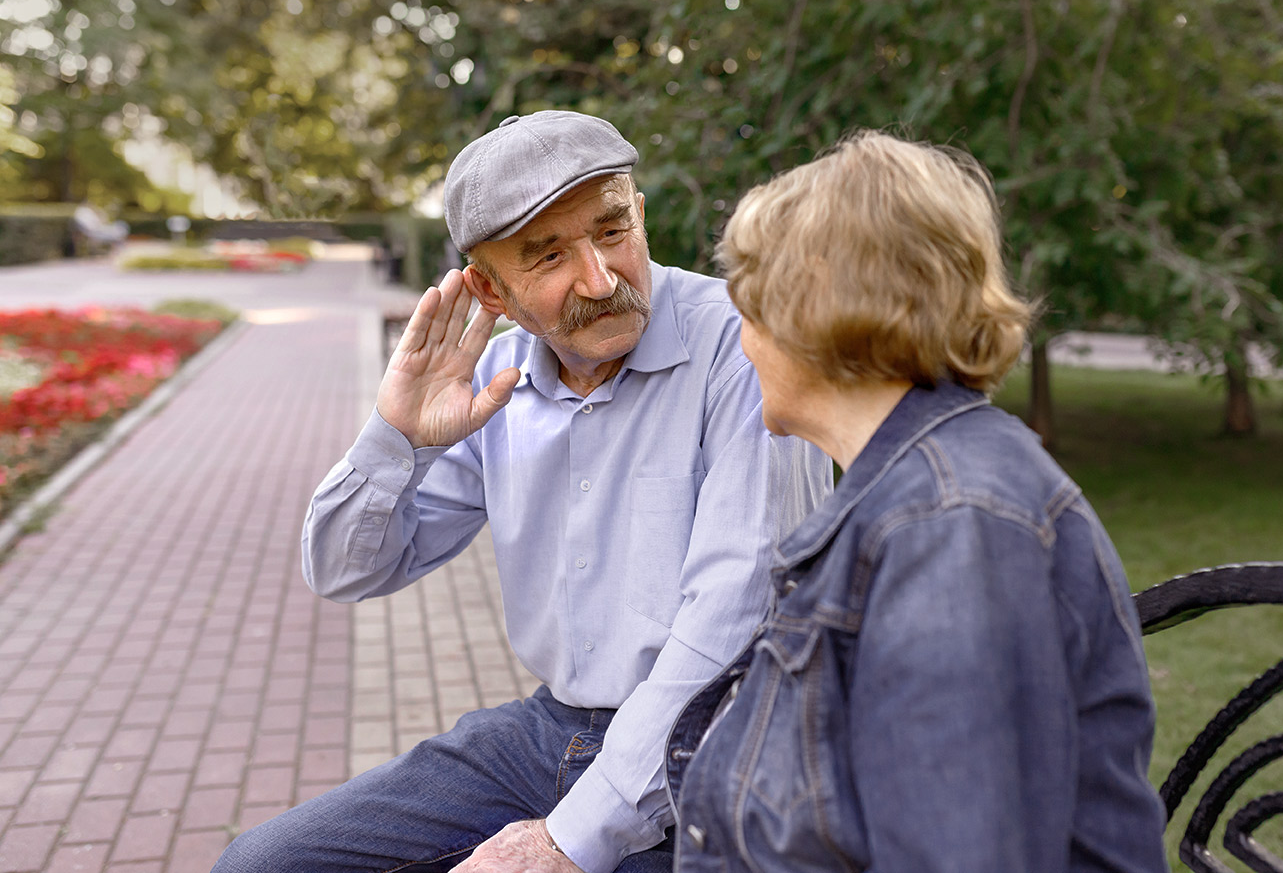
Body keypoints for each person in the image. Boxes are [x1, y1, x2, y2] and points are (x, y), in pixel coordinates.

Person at [212, 111, 832, 873]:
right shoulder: (494, 381)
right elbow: (347, 569)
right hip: (551, 733)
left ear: (639, 212)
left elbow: (735, 629)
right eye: (548, 257)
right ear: (490, 288)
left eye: (611, 232)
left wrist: (567, 841)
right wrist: (396, 436)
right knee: (262, 866)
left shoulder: (745, 348)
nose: (600, 280)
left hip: (718, 751)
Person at [664, 131, 1169, 872]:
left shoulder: (951, 527)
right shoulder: (914, 494)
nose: (741, 340)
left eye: (750, 305)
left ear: (811, 302)